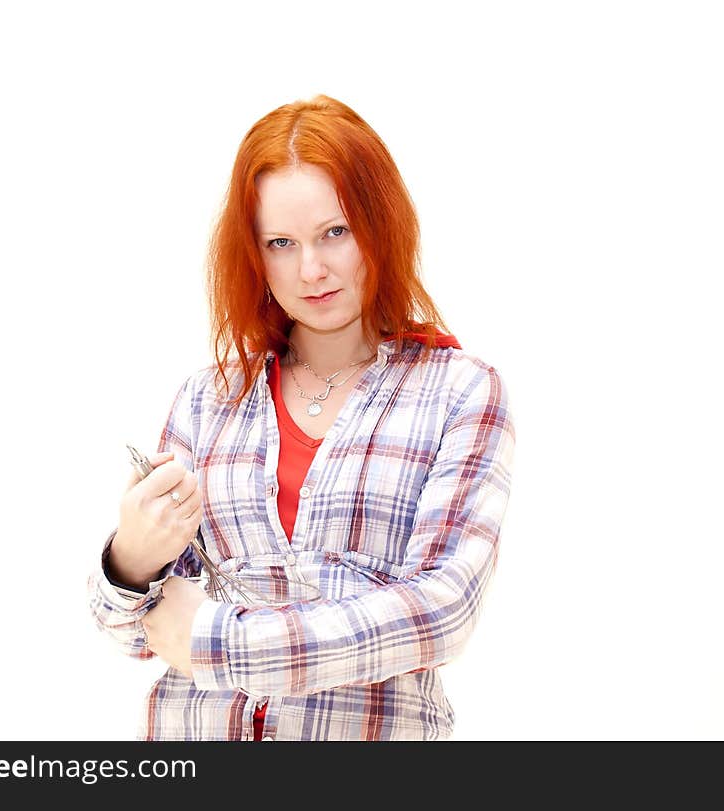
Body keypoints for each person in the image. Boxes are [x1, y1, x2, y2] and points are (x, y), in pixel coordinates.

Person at [87, 94, 516, 741]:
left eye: (334, 233)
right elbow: (136, 633)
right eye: (280, 243)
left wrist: (217, 638)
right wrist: (131, 558)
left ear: (380, 223)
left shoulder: (457, 392)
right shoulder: (207, 400)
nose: (310, 269)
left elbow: (442, 610)